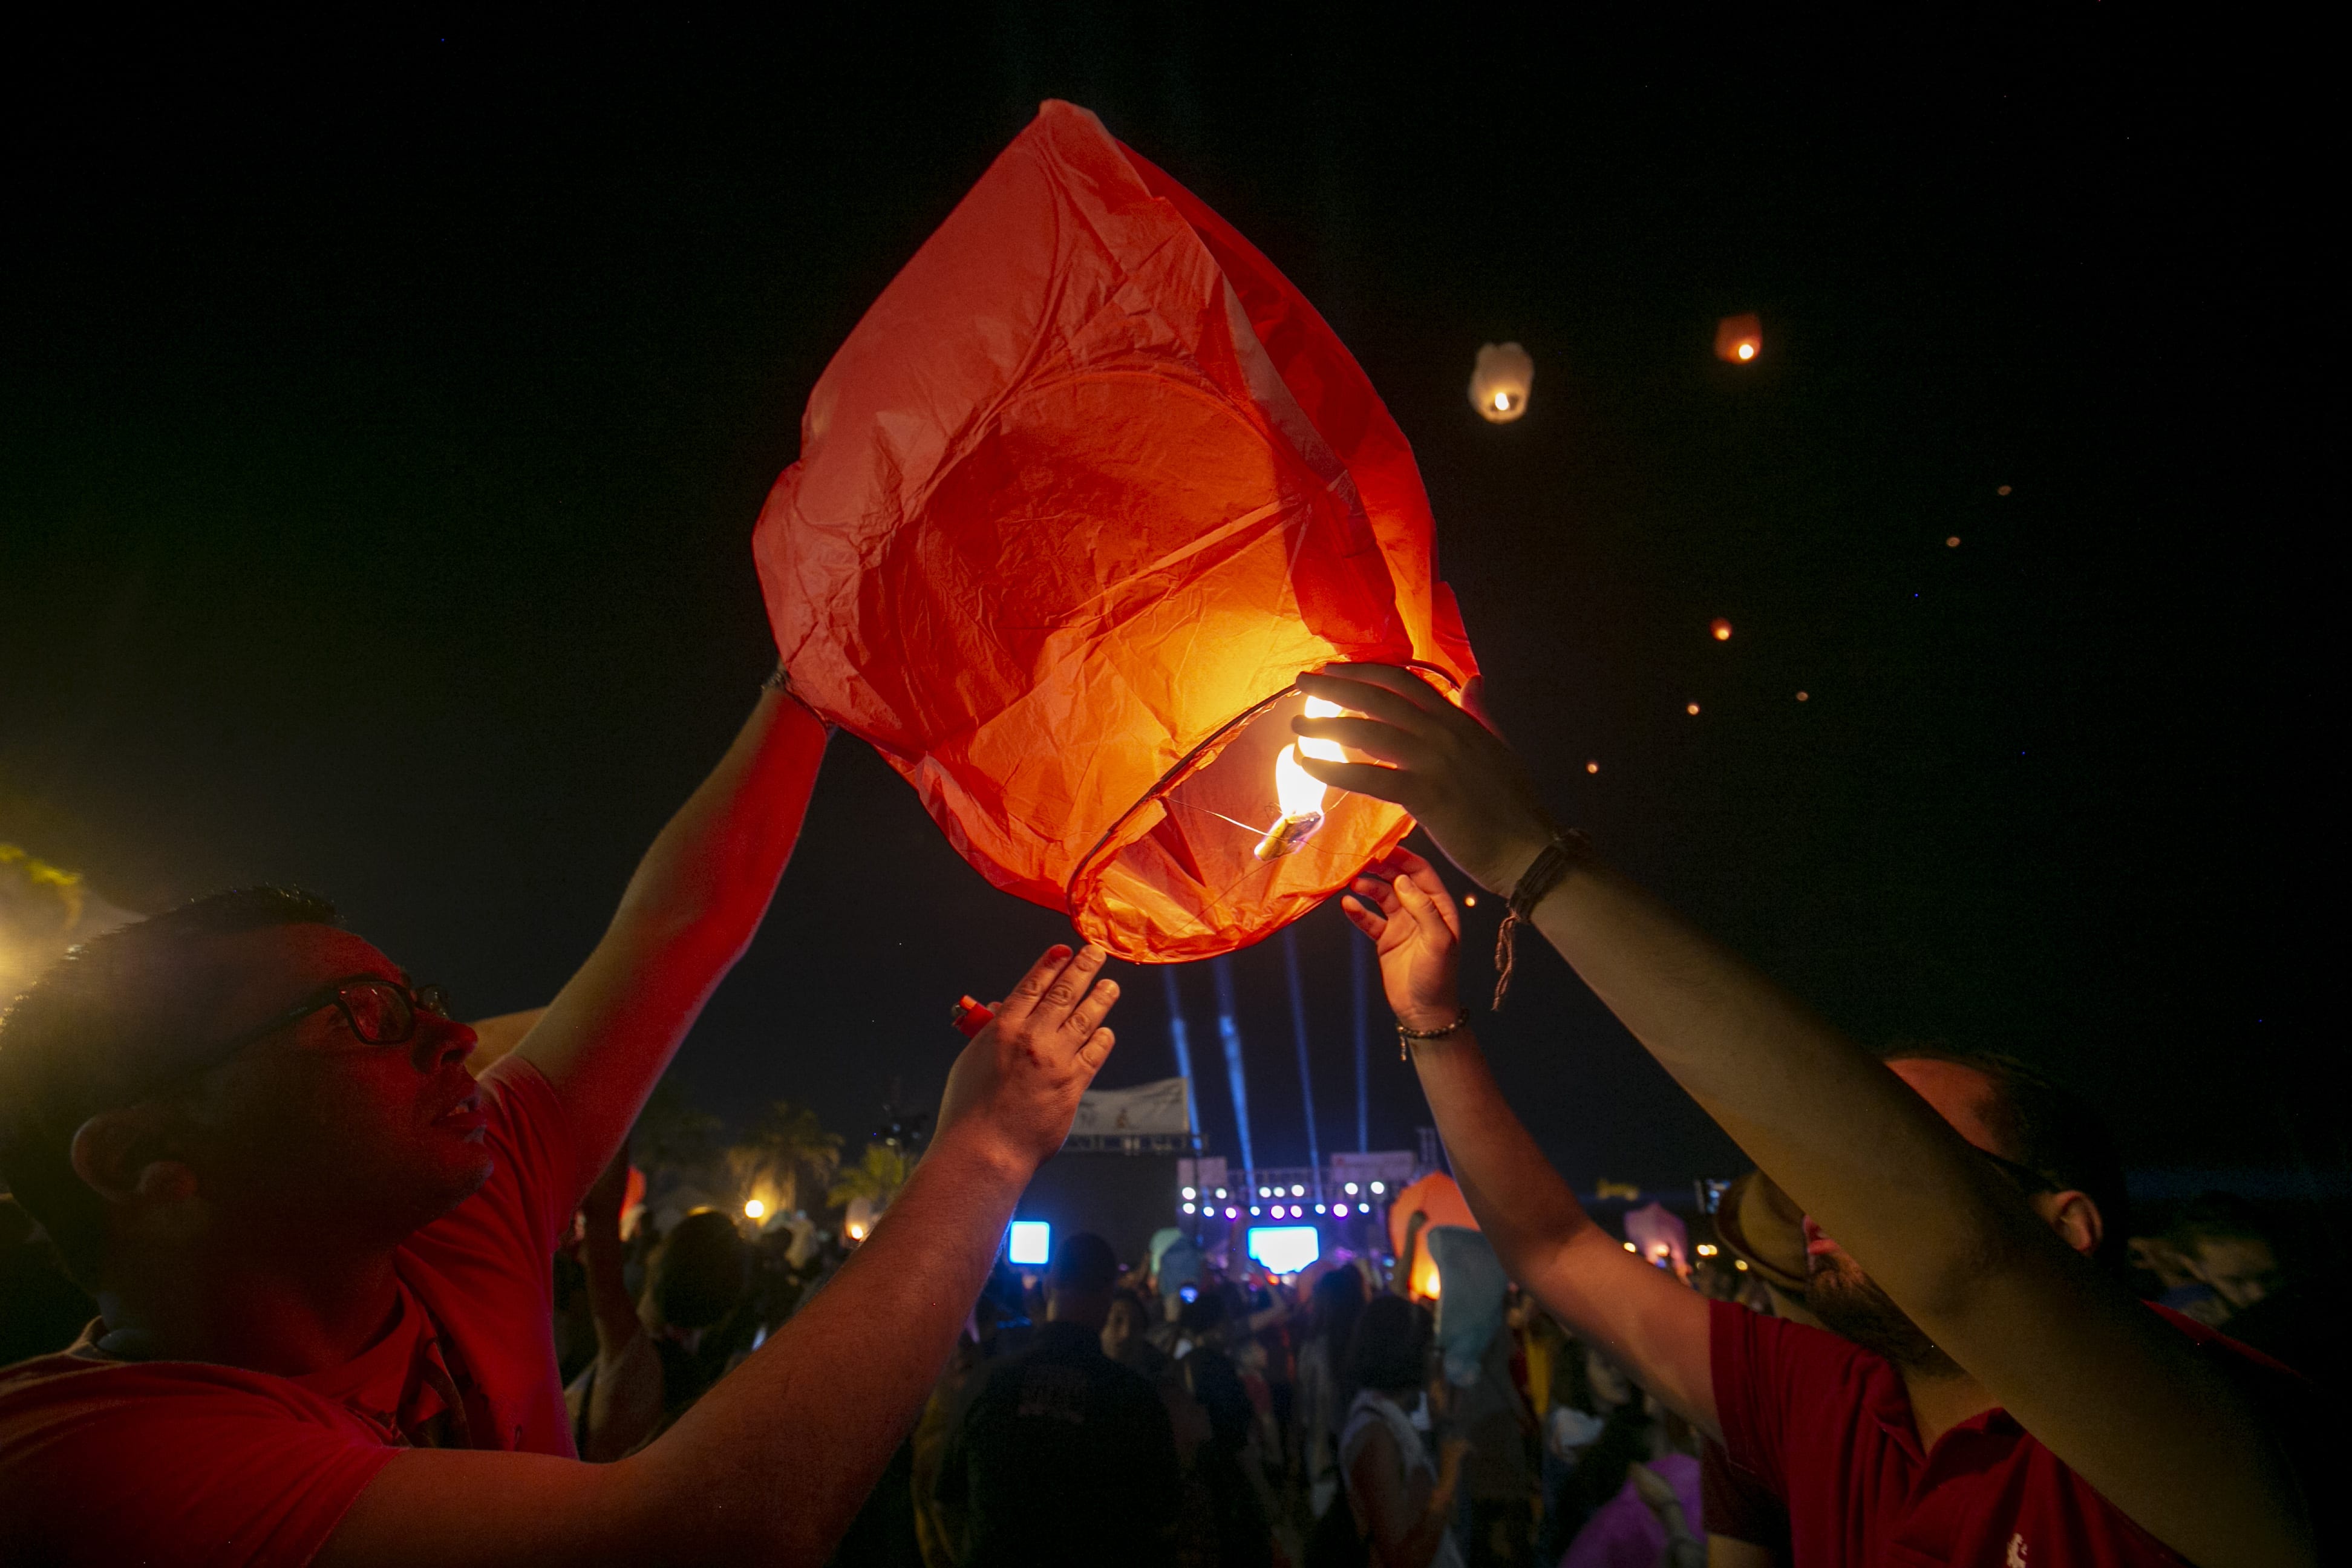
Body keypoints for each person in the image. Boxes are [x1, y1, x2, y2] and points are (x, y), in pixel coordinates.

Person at [0, 681, 1132, 1566]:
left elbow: (681, 926)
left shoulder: (459, 1220)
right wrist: (985, 1148)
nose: (451, 1041)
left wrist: (808, 675)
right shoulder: (85, 1462)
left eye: (425, 1003)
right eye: (367, 1017)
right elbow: (703, 1536)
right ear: (150, 1162)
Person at [1289, 663, 2315, 1567]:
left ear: (2067, 1226)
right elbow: (1555, 1247)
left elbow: (1968, 1266)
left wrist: (1530, 857)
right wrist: (1433, 1024)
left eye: (1901, 1147)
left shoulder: (2194, 1431)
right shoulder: (1829, 1404)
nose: (1824, 1178)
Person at [937, 1230, 1181, 1567]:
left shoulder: (988, 1382)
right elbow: (1163, 1519)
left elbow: (946, 1499)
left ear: (1049, 1286)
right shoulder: (1135, 1400)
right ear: (1109, 1299)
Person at [1331, 1293, 1468, 1568]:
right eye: (1430, 1349)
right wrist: (1448, 1479)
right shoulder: (1376, 1434)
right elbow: (1402, 1559)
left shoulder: (1388, 1415)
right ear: (1405, 1354)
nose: (1435, 1361)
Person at [1296, 1264, 1370, 1519]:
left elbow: (1306, 1407)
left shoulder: (1314, 1349)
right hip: (1369, 1453)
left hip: (1324, 1454)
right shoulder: (1369, 1347)